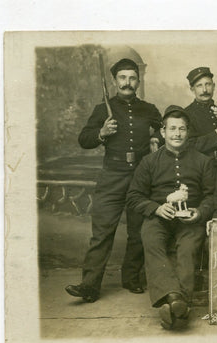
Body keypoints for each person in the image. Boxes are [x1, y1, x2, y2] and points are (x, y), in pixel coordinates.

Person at [66, 58, 162, 302]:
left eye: (132, 78)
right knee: (102, 231)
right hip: (112, 176)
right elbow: (83, 139)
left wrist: (156, 141)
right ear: (114, 81)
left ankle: (131, 279)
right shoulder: (103, 109)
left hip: (140, 176)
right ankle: (89, 285)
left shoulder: (149, 109)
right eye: (122, 78)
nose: (127, 83)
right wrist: (101, 133)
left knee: (138, 231)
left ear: (138, 81)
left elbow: (165, 131)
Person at [126, 105, 215, 330]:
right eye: (172, 129)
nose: (177, 134)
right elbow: (134, 196)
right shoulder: (149, 162)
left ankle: (174, 302)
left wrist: (199, 213)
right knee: (150, 237)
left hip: (190, 219)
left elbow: (213, 196)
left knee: (188, 247)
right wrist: (155, 208)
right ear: (163, 132)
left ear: (188, 132)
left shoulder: (203, 161)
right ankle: (178, 300)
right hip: (159, 217)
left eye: (182, 129)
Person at [184, 67, 217, 164]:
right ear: (192, 89)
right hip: (200, 169)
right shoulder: (186, 114)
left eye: (208, 84)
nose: (204, 90)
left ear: (214, 86)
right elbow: (187, 147)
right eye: (199, 86)